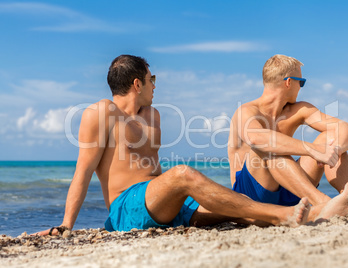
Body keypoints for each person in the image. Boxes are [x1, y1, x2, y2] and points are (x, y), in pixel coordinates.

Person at [34, 55, 314, 236]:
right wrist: (66, 225)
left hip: (167, 202)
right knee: (183, 174)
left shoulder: (152, 115)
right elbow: (82, 173)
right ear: (136, 84)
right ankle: (283, 214)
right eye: (151, 79)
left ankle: (310, 212)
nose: (155, 86)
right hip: (127, 206)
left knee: (240, 211)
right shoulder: (101, 113)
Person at [227, 54, 348, 221]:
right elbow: (256, 139)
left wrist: (334, 150)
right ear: (289, 82)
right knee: (268, 147)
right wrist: (313, 150)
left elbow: (345, 128)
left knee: (330, 138)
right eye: (301, 82)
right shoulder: (246, 111)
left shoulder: (299, 110)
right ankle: (325, 203)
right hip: (252, 197)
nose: (301, 87)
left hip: (291, 189)